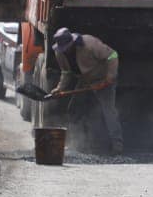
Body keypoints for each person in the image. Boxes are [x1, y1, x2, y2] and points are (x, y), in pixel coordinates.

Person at [50, 27, 124, 155]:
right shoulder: (60, 53)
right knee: (73, 108)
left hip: (103, 78)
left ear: (72, 43)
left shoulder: (89, 43)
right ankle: (76, 143)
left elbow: (113, 55)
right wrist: (59, 88)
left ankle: (117, 146)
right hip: (85, 79)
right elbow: (66, 72)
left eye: (67, 48)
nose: (65, 51)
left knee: (108, 111)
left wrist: (109, 77)